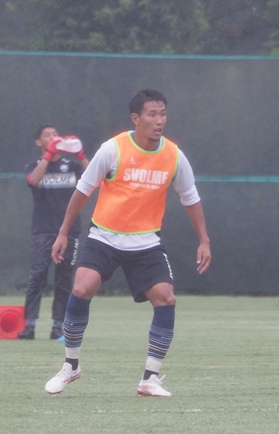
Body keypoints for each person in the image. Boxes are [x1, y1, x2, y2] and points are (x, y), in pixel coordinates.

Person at [45, 89, 212, 397]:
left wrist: (204, 240)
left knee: (166, 298)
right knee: (81, 288)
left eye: (163, 114)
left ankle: (150, 379)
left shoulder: (174, 155)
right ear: (136, 118)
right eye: (152, 114)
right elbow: (83, 190)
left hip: (146, 243)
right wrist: (63, 233)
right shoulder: (113, 149)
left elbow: (190, 198)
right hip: (104, 236)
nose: (159, 120)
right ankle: (70, 366)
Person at [18, 125, 90, 340]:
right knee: (38, 275)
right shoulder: (34, 166)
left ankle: (58, 326)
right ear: (39, 142)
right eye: (47, 135)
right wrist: (48, 156)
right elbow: (33, 181)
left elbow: (95, 176)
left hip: (69, 232)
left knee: (64, 279)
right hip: (43, 230)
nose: (53, 138)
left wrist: (80, 154)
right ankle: (29, 326)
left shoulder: (73, 166)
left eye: (55, 135)